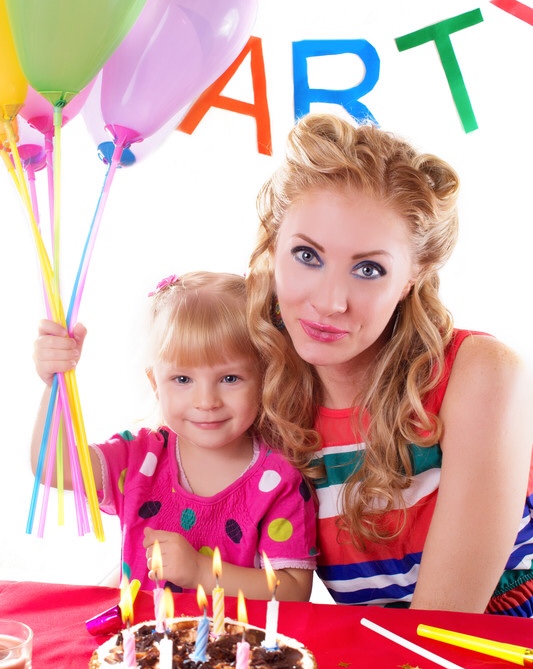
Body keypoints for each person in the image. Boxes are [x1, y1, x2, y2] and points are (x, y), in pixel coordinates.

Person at [246, 112, 533, 616]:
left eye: (368, 269)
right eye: (307, 256)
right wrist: (59, 374)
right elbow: (143, 480)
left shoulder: (479, 374)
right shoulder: (259, 390)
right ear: (273, 247)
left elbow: (446, 626)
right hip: (388, 661)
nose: (331, 301)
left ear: (412, 278)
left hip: (502, 657)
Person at [31, 271, 317, 599]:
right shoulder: (138, 457)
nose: (206, 401)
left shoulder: (279, 480)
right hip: (139, 649)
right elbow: (53, 467)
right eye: (182, 379)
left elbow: (293, 592)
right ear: (156, 383)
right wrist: (56, 384)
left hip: (236, 648)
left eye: (230, 378)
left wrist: (199, 571)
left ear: (264, 376)